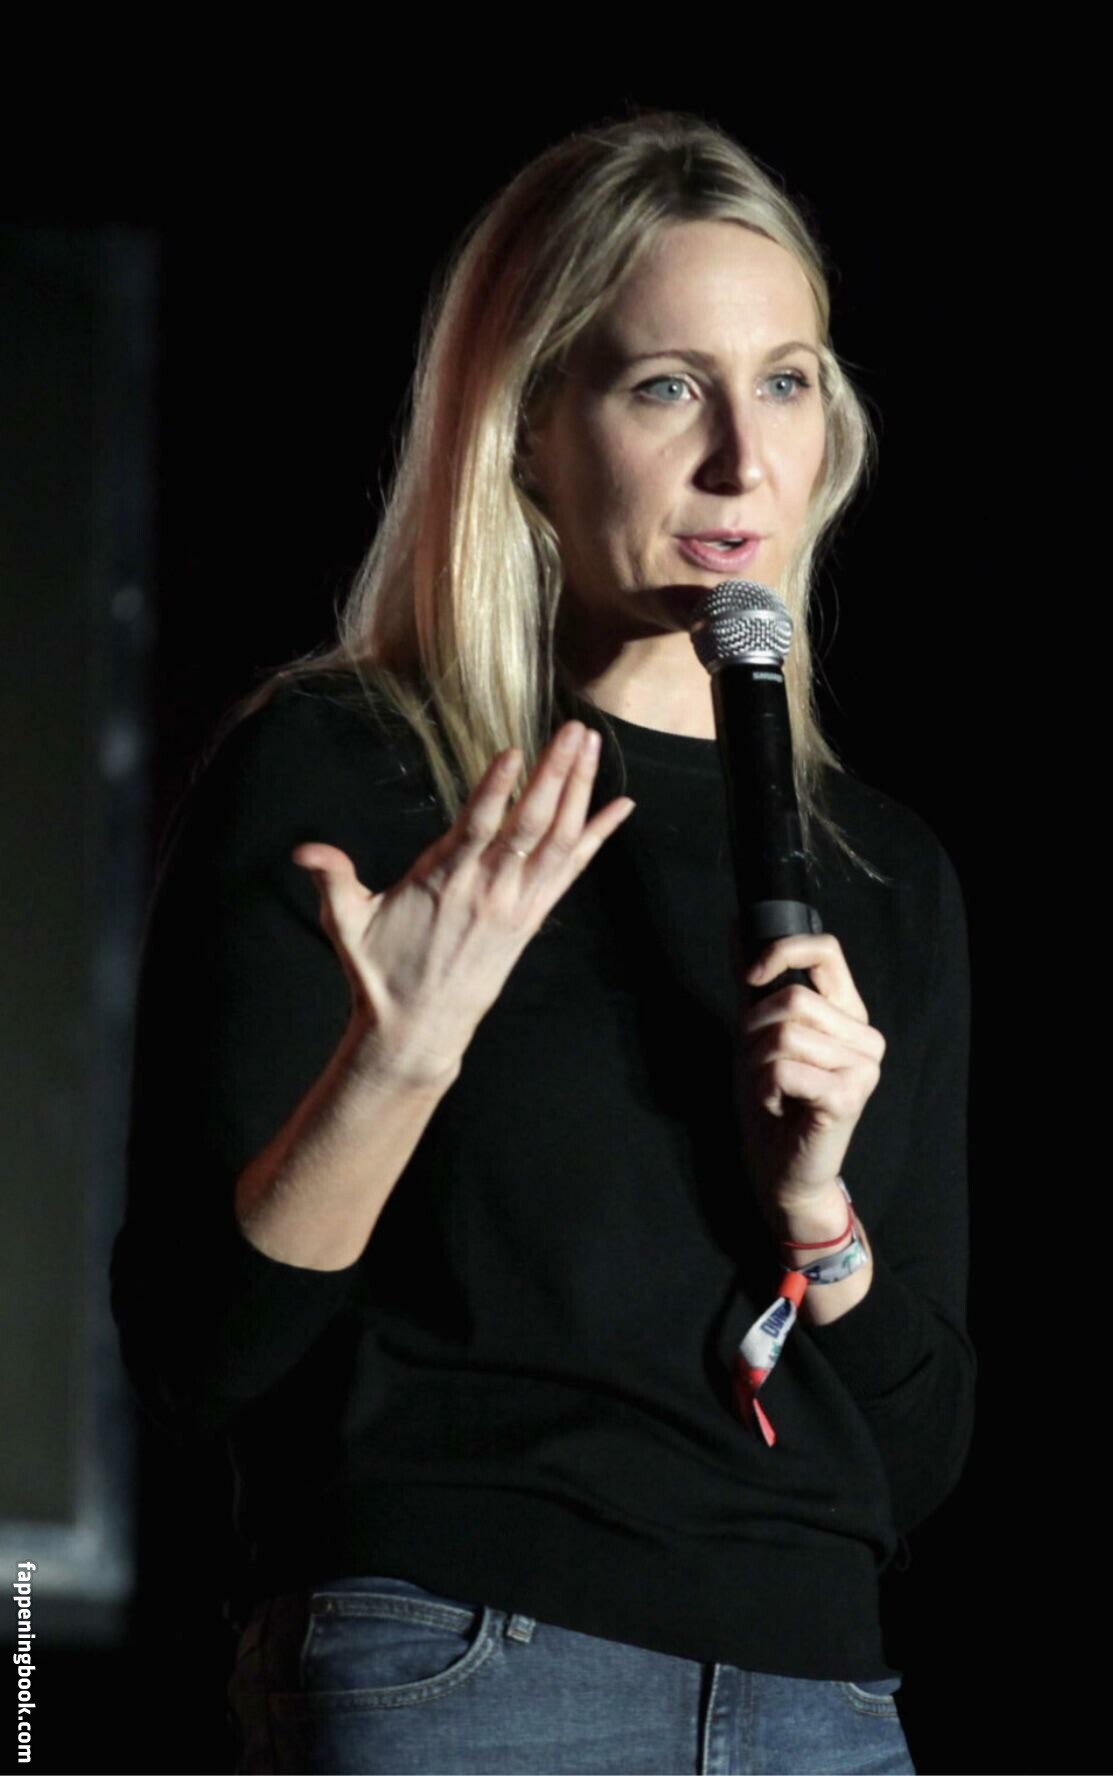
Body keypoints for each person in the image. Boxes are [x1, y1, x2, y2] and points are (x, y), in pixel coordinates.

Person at [110, 108, 974, 1775]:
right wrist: (398, 1060)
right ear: (525, 431)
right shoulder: (353, 773)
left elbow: (920, 1453)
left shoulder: (885, 874)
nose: (742, 460)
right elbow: (199, 1358)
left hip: (820, 1703)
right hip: (467, 1664)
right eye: (666, 388)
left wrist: (820, 1216)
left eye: (786, 382)